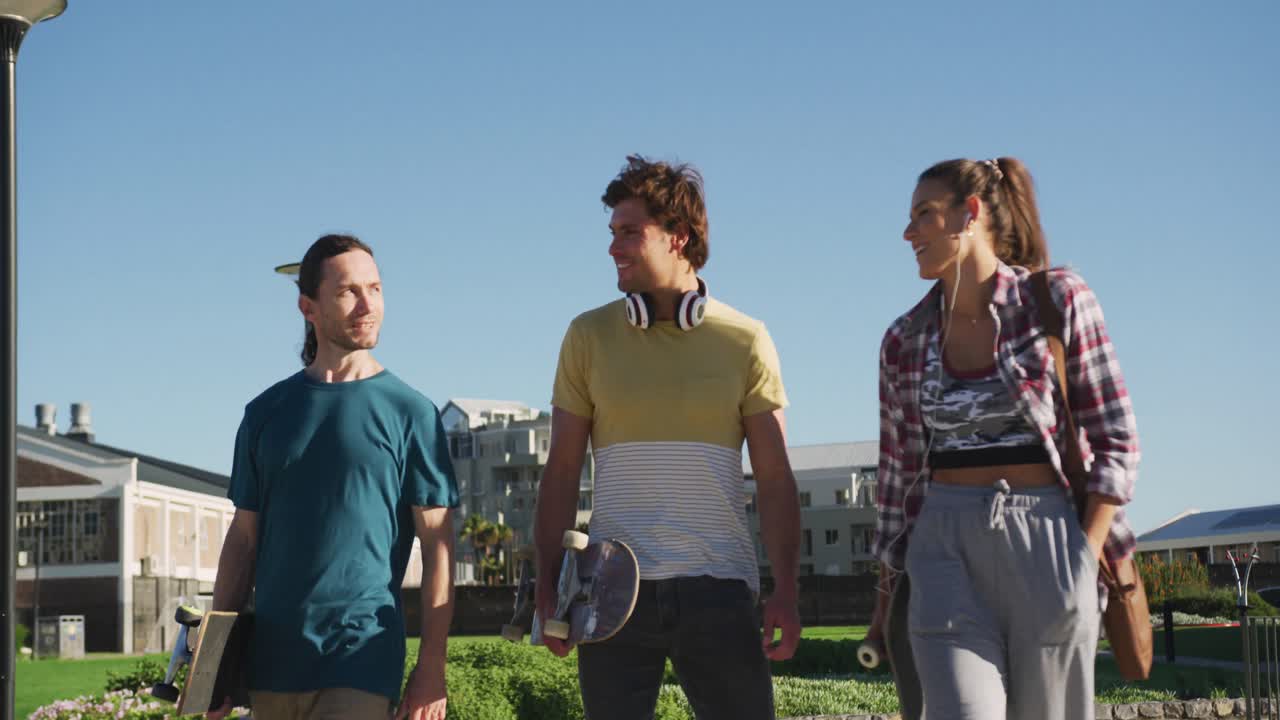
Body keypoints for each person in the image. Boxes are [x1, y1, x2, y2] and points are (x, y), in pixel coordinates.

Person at [866, 157, 1141, 720]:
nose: (908, 232)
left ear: (969, 214)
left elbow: (1116, 439)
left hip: (1049, 540)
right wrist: (886, 595)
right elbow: (896, 483)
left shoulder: (1057, 301)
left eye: (924, 214)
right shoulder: (904, 338)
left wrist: (1081, 559)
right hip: (942, 545)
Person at [534, 155, 802, 720]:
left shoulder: (746, 339)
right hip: (609, 594)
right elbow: (560, 469)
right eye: (612, 233)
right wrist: (546, 587)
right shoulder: (587, 336)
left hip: (719, 590)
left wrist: (786, 590)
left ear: (679, 237)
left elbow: (776, 478)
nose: (613, 247)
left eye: (630, 233)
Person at [210, 234, 459, 720]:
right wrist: (215, 661)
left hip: (361, 656)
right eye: (349, 292)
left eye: (376, 288)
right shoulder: (265, 413)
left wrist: (432, 666)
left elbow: (439, 546)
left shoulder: (411, 413)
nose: (369, 305)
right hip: (273, 664)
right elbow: (242, 541)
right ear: (309, 307)